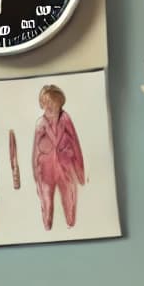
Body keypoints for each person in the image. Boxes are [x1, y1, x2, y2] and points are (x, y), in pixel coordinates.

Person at [32, 83, 86, 229]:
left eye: (52, 102)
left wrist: (80, 172)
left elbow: (75, 143)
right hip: (46, 170)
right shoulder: (40, 124)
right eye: (45, 103)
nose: (48, 106)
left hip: (65, 167)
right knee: (47, 202)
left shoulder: (66, 120)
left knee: (69, 199)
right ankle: (47, 227)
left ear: (59, 102)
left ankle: (71, 226)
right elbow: (35, 152)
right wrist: (36, 176)